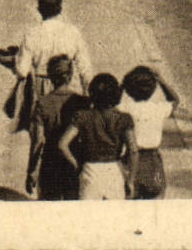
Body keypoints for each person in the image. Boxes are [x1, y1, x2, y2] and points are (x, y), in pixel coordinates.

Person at [59, 73, 137, 200]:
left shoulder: (82, 116)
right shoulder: (124, 118)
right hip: (114, 170)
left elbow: (62, 145)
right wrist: (130, 180)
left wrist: (77, 165)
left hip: (90, 170)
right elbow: (133, 150)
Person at [16, 0, 94, 104]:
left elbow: (22, 71)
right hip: (68, 87)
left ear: (39, 10)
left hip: (41, 88)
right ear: (60, 9)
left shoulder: (32, 33)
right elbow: (85, 68)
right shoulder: (73, 32)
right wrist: (87, 94)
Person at [27, 54, 86, 201]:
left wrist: (32, 170)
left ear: (50, 76)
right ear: (71, 75)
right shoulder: (82, 102)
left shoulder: (42, 103)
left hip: (50, 162)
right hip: (75, 160)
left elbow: (38, 140)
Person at [119, 66, 180, 200]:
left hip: (130, 160)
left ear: (129, 90)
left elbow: (112, 103)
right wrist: (161, 81)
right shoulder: (158, 108)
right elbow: (175, 101)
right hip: (153, 160)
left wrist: (122, 85)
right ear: (153, 89)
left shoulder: (124, 109)